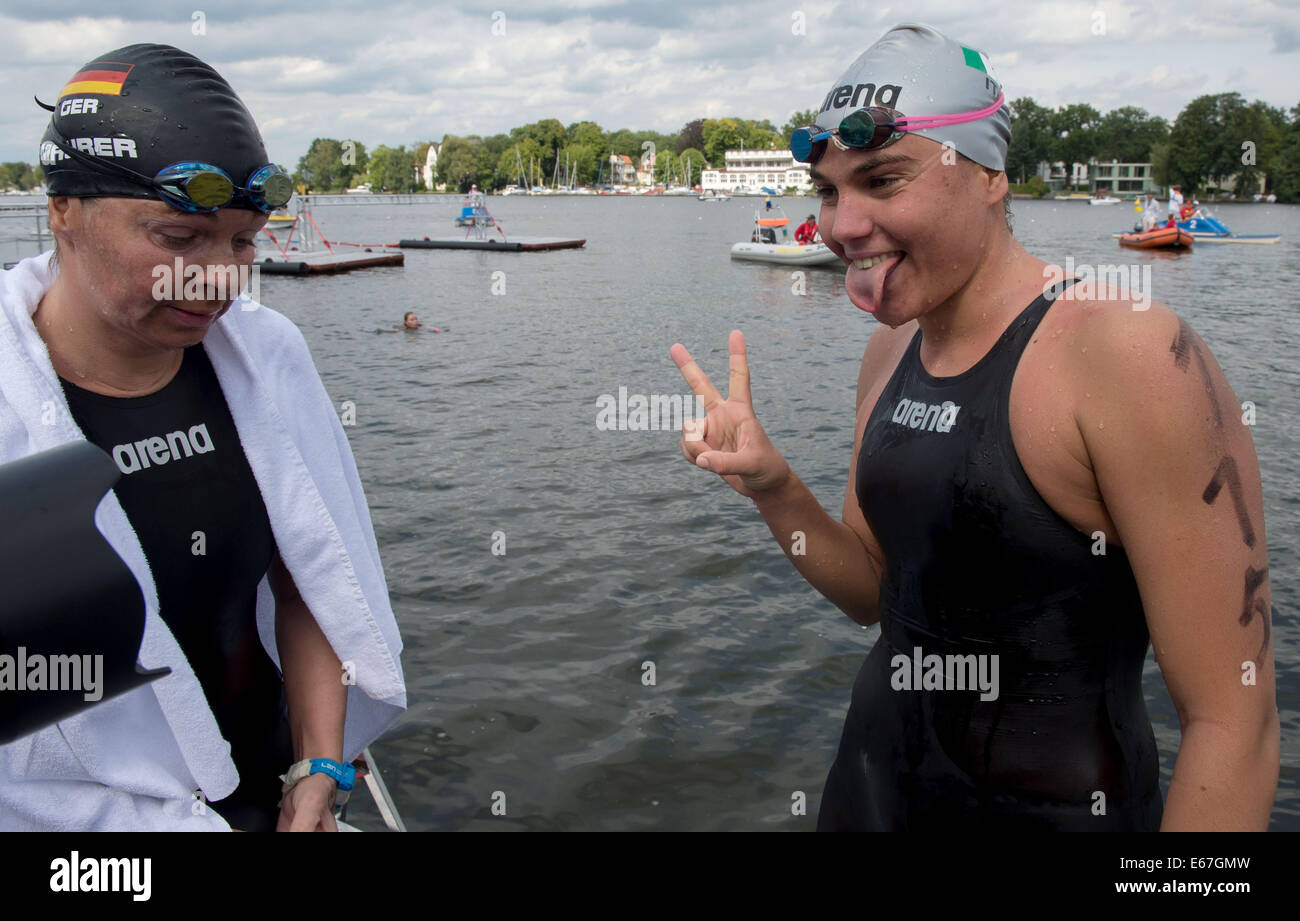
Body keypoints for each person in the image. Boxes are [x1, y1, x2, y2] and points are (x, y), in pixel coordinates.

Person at [671, 22, 1277, 830]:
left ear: (990, 175)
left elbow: (1235, 725)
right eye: (827, 189)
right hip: (870, 798)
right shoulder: (891, 348)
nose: (840, 224)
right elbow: (876, 599)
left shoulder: (1129, 353)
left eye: (881, 180)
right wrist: (775, 488)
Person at [0, 44, 406, 831]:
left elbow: (313, 573)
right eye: (179, 240)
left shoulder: (265, 359)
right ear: (62, 209)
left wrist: (320, 763)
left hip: (274, 790)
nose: (219, 278)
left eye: (243, 241)